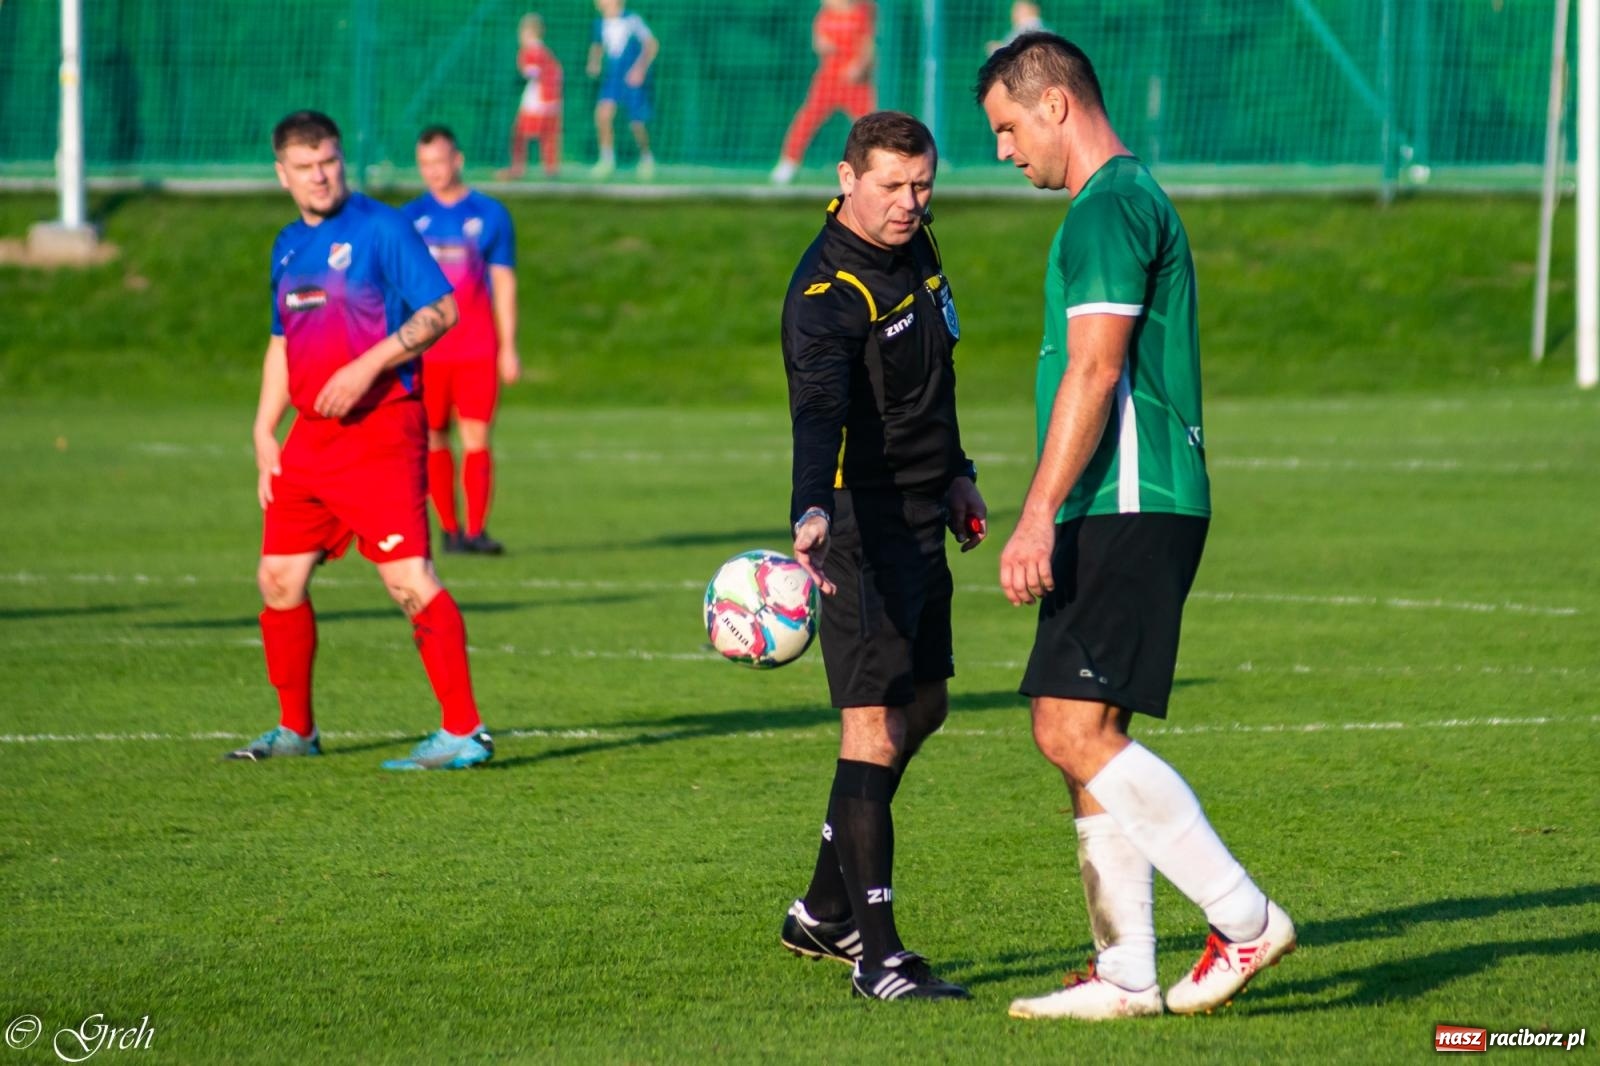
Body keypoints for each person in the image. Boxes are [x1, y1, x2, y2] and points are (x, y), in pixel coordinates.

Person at [975, 33, 1295, 1019]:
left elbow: (1095, 367)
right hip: (1113, 502)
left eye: (1006, 128)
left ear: (1057, 105)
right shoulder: (1117, 200)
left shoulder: (1111, 205)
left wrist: (1035, 515)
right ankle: (1123, 974)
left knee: (1072, 727)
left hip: (1126, 497)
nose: (1001, 149)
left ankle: (1243, 920)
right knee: (1075, 726)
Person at [778, 110, 985, 1002]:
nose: (910, 203)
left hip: (918, 512)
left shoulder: (917, 246)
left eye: (923, 184)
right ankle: (878, 957)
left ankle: (823, 910)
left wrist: (959, 475)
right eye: (893, 186)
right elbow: (818, 410)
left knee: (925, 706)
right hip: (856, 527)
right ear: (847, 177)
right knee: (870, 728)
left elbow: (936, 379)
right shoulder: (830, 294)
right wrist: (811, 510)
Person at [229, 110, 494, 772]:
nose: (320, 176)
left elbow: (442, 311)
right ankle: (296, 730)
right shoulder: (286, 246)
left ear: (341, 160)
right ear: (281, 173)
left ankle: (464, 731)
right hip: (311, 439)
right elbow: (280, 342)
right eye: (305, 166)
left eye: (329, 162)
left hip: (382, 427)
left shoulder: (382, 228)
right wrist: (265, 428)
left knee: (408, 580)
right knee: (278, 577)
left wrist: (365, 365)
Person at [402, 126, 521, 555]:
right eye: (425, 164)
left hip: (476, 347)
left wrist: (509, 345)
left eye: (440, 161)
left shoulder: (490, 214)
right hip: (427, 353)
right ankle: (449, 531)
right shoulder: (409, 219)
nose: (433, 171)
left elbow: (503, 282)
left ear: (458, 160)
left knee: (476, 436)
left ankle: (476, 530)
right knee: (433, 437)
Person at [770, 0, 876, 185]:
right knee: (807, 119)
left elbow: (869, 45)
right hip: (828, 80)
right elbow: (818, 42)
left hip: (855, 83)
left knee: (869, 125)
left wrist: (859, 66)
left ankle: (875, 167)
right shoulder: (824, 15)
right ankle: (789, 163)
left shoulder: (862, 13)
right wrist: (823, 44)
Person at [587, 0, 658, 180]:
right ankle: (606, 159)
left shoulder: (632, 20)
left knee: (636, 123)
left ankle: (646, 158)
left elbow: (652, 45)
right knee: (602, 115)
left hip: (632, 78)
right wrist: (594, 62)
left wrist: (639, 69)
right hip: (613, 77)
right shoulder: (599, 23)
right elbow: (597, 45)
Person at [499, 13, 564, 180]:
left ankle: (517, 168)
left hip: (537, 100)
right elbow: (557, 73)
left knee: (519, 133)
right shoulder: (547, 52)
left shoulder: (530, 51)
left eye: (522, 32)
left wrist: (520, 77)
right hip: (553, 101)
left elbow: (531, 72)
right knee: (548, 137)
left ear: (529, 32)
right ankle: (551, 169)